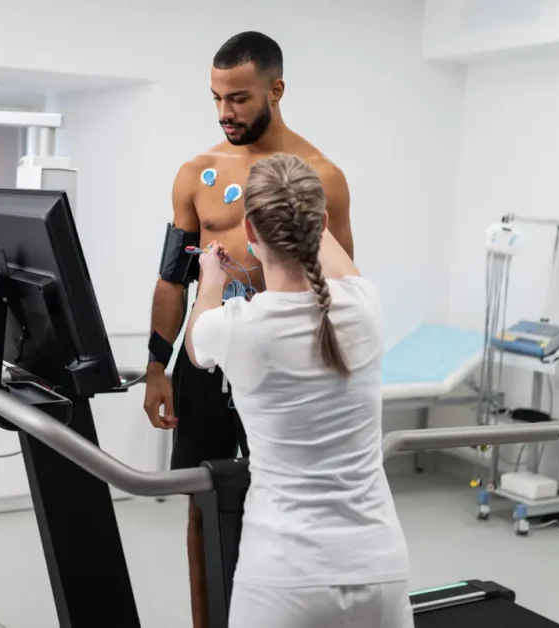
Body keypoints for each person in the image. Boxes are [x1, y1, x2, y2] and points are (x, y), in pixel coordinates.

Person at [144, 31, 355, 626]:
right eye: (216, 98)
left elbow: (338, 286)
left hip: (280, 359)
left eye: (238, 99)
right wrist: (157, 368)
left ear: (276, 90)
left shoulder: (321, 176)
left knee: (287, 500)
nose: (224, 113)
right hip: (206, 360)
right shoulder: (197, 171)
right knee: (200, 500)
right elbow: (171, 279)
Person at [185, 153, 411, 628]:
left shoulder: (237, 328)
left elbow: (195, 345)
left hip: (284, 579)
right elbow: (331, 252)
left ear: (249, 232)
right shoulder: (363, 305)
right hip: (380, 568)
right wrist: (294, 193)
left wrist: (211, 277)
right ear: (322, 221)